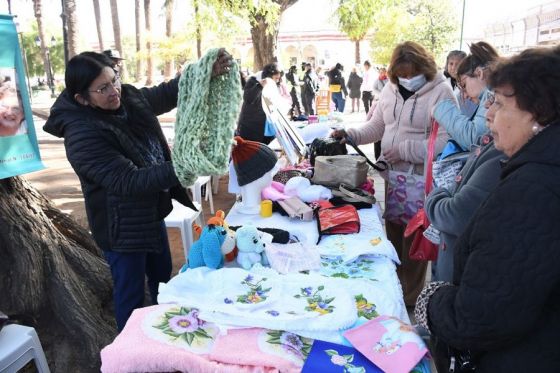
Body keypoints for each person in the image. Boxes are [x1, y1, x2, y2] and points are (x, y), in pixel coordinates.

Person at [43, 50, 232, 331]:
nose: (114, 91)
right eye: (103, 88)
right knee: (130, 294)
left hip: (150, 213)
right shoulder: (81, 135)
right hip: (121, 230)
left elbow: (165, 94)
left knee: (161, 277)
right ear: (83, 98)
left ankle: (165, 331)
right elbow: (129, 181)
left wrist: (202, 73)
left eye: (114, 79)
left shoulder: (127, 97)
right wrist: (186, 163)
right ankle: (129, 351)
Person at [415, 47, 560, 373]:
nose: (489, 114)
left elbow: (477, 316)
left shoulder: (533, 190)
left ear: (538, 114)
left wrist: (432, 300)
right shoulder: (537, 170)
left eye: (500, 103)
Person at [332, 41, 454, 306]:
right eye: (402, 75)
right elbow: (377, 126)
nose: (407, 80)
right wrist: (350, 134)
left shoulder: (442, 92)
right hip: (394, 178)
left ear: (424, 67)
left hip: (421, 181)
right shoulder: (390, 87)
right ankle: (394, 290)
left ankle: (410, 300)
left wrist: (406, 150)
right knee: (394, 235)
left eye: (412, 74)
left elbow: (447, 141)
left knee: (415, 242)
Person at [433, 42, 500, 151]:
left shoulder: (492, 93)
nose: (464, 95)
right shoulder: (494, 91)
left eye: (464, 86)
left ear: (479, 73)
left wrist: (443, 111)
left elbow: (475, 138)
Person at [236, 63, 281, 144]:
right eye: (276, 78)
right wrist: (260, 86)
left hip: (266, 126)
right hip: (251, 127)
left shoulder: (272, 85)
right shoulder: (253, 81)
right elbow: (248, 98)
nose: (277, 81)